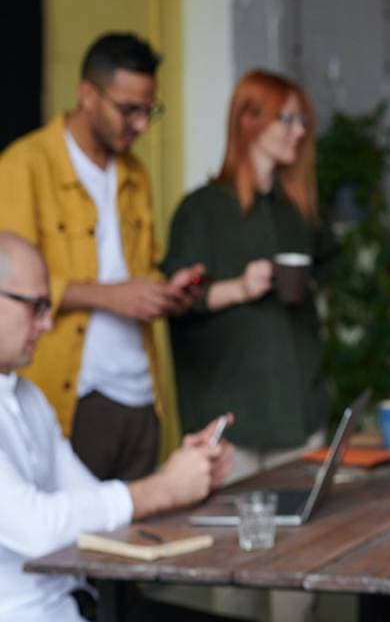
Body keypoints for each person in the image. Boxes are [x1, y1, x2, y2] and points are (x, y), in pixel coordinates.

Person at [161, 70, 331, 621]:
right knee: (234, 575)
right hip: (232, 417)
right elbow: (174, 302)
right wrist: (238, 287)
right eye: (286, 117)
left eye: (303, 119)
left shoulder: (295, 211)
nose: (298, 131)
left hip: (296, 411)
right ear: (248, 119)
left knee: (297, 574)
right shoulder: (201, 210)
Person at [0, 32, 205, 481]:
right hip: (73, 396)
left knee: (143, 538)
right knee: (77, 542)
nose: (140, 125)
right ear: (87, 95)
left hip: (141, 394)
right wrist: (111, 297)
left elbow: (139, 269)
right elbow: (9, 286)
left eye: (148, 111)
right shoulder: (24, 165)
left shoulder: (136, 174)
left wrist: (165, 291)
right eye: (128, 110)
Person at [0, 231, 232, 622]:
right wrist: (163, 489)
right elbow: (37, 526)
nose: (48, 321)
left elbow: (93, 499)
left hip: (85, 604)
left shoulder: (28, 397)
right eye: (37, 305)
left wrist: (183, 475)